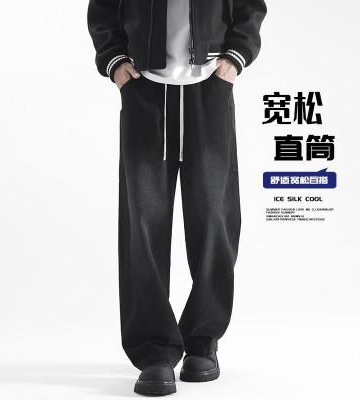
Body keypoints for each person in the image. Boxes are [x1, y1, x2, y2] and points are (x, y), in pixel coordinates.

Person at [87, 0, 267, 395]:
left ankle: (203, 341)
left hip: (210, 86)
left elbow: (250, 8)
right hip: (143, 87)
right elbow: (102, 10)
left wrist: (233, 60)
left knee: (215, 218)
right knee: (143, 223)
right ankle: (154, 350)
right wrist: (116, 63)